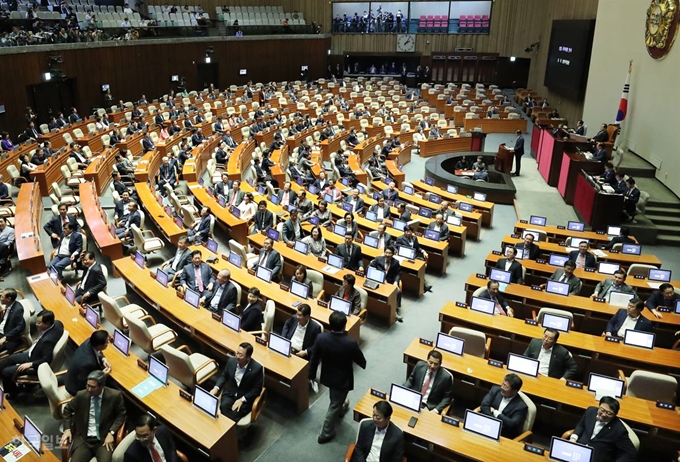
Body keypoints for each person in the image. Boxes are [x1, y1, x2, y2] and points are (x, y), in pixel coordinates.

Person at [310, 311, 367, 444]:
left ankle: (341, 410)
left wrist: (312, 375)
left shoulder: (321, 338)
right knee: (334, 404)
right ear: (344, 325)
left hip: (327, 376)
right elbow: (361, 361)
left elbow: (314, 359)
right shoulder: (350, 343)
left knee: (336, 398)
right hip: (342, 379)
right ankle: (325, 433)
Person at [61, 370, 126, 462]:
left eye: (93, 387)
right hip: (83, 440)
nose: (89, 389)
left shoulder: (114, 396)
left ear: (102, 386)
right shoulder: (81, 395)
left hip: (103, 440)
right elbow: (67, 410)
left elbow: (121, 414)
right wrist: (67, 430)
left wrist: (111, 433)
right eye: (87, 385)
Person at [0, 310, 64, 399]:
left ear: (47, 324)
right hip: (33, 353)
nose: (36, 324)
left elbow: (46, 359)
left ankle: (13, 393)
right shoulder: (57, 324)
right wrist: (40, 340)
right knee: (9, 359)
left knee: (6, 372)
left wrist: (30, 364)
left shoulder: (47, 341)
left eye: (39, 323)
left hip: (34, 363)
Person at [568, 396, 637, 462]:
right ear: (599, 406)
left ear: (615, 415)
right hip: (578, 451)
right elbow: (581, 425)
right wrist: (573, 438)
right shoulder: (590, 411)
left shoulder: (619, 430)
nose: (604, 414)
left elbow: (631, 453)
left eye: (609, 413)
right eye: (602, 410)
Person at [210, 342, 263, 422]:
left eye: (241, 355)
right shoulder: (231, 361)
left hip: (245, 397)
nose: (237, 356)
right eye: (237, 353)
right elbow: (224, 376)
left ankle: (229, 430)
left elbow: (256, 389)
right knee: (224, 406)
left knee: (235, 413)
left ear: (248, 357)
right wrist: (216, 388)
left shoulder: (257, 368)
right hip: (230, 393)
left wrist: (242, 399)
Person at [479, 373, 528, 439]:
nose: (502, 387)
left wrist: (496, 413)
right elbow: (484, 405)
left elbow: (512, 424)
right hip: (486, 424)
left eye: (506, 387)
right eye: (502, 384)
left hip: (502, 434)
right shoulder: (495, 390)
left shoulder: (521, 406)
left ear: (514, 392)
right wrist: (493, 421)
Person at [65, 330, 112, 396]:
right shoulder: (88, 363)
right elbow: (84, 384)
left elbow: (98, 351)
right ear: (100, 345)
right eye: (107, 342)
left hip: (74, 376)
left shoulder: (89, 341)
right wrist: (102, 375)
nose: (108, 343)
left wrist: (103, 359)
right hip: (76, 389)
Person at [369, 246, 402, 316]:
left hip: (390, 283)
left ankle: (396, 309)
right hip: (378, 281)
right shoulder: (378, 259)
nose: (387, 255)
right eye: (386, 252)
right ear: (384, 253)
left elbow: (397, 274)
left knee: (398, 291)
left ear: (393, 254)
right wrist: (379, 277)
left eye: (390, 253)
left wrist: (396, 282)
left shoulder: (396, 262)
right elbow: (370, 267)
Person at [0, 289, 27, 355]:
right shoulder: (8, 305)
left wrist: (5, 338)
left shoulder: (17, 309)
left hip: (6, 336)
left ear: (8, 299)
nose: (0, 298)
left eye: (2, 297)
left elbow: (20, 326)